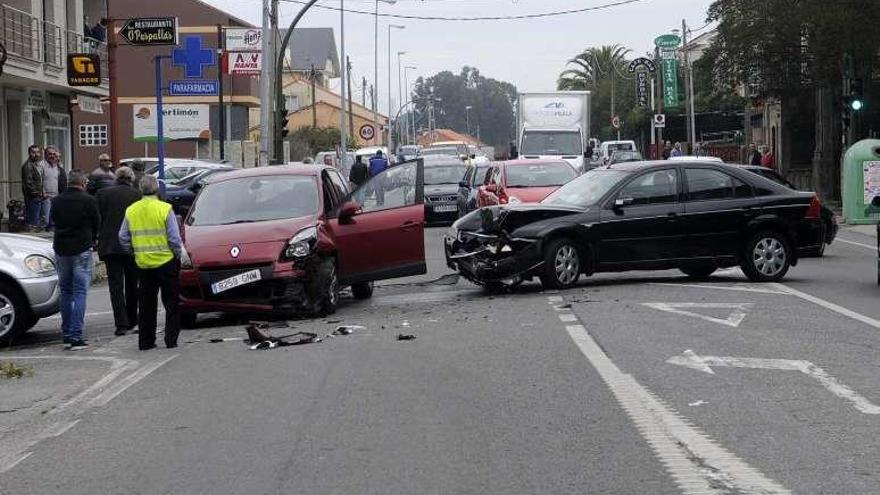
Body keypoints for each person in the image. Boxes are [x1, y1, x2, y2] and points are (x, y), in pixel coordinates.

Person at [118, 175, 187, 350]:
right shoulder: (164, 209)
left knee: (146, 305)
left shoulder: (131, 210)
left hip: (143, 264)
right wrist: (177, 255)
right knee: (171, 304)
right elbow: (174, 238)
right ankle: (171, 340)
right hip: (166, 262)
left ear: (140, 190)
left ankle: (146, 341)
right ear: (156, 189)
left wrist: (133, 252)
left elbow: (123, 237)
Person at [50, 170, 100, 350]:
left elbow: (53, 221)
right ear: (83, 183)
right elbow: (96, 222)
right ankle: (76, 335)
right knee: (80, 292)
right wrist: (93, 239)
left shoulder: (56, 201)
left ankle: (66, 333)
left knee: (65, 292)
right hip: (81, 248)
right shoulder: (88, 200)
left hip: (61, 249)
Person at [96, 166, 142, 336]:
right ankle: (133, 320)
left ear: (116, 178)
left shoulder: (102, 194)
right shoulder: (137, 195)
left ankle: (121, 325)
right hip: (131, 246)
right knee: (132, 285)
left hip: (109, 246)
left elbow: (97, 218)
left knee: (115, 287)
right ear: (131, 179)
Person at [40, 146, 68, 231]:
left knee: (54, 219)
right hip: (46, 196)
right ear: (45, 155)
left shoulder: (57, 166)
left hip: (56, 195)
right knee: (46, 219)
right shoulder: (41, 165)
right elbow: (39, 180)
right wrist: (43, 192)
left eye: (54, 154)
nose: (52, 156)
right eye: (50, 154)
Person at [21, 145, 44, 231]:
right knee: (33, 221)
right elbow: (28, 183)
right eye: (33, 152)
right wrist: (37, 193)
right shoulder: (28, 166)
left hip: (36, 196)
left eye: (38, 152)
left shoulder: (35, 165)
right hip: (32, 197)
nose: (36, 154)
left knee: (36, 220)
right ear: (29, 153)